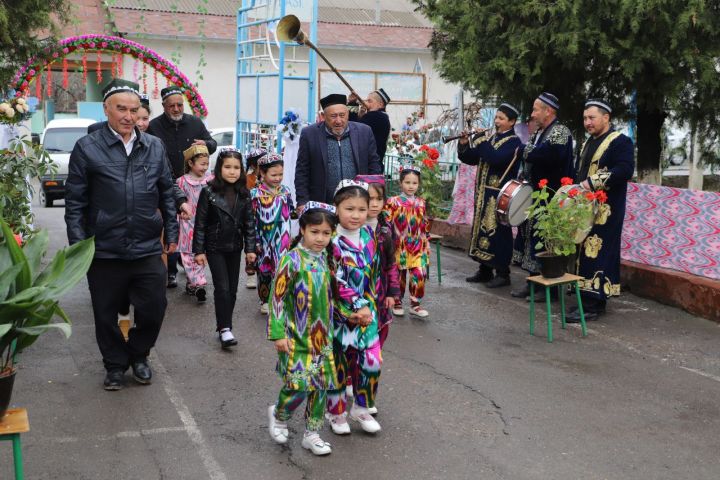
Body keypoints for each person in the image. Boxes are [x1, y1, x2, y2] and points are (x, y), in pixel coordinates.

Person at [65, 79, 178, 390]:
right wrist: (79, 247)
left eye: (134, 110)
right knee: (104, 315)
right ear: (106, 110)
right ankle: (115, 365)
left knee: (154, 308)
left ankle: (139, 355)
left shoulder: (154, 146)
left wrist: (172, 232)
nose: (129, 117)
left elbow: (167, 192)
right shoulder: (87, 147)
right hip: (104, 249)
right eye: (121, 109)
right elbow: (75, 202)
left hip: (146, 247)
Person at [266, 202, 339, 456]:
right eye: (314, 232)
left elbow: (334, 295)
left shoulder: (328, 259)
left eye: (326, 233)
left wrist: (352, 314)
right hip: (295, 335)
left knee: (320, 387)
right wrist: (278, 333)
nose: (320, 238)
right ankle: (279, 415)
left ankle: (312, 434)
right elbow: (277, 298)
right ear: (303, 230)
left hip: (323, 338)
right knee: (298, 385)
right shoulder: (291, 259)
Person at [567, 99, 635, 322]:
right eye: (585, 118)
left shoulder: (620, 141)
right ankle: (585, 298)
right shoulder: (589, 142)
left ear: (606, 118)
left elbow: (625, 169)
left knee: (597, 252)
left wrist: (592, 182)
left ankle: (593, 304)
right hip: (585, 207)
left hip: (607, 210)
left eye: (592, 118)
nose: (587, 122)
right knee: (583, 251)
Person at [326, 180, 383, 436]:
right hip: (338, 314)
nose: (356, 215)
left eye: (362, 209)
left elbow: (375, 272)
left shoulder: (369, 234)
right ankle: (336, 413)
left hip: (368, 313)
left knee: (372, 361)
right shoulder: (330, 239)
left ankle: (361, 407)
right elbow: (333, 280)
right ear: (336, 207)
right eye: (350, 209)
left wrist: (374, 304)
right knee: (337, 364)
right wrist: (356, 305)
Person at [146, 86, 218, 288]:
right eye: (172, 106)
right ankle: (170, 271)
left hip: (193, 186)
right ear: (164, 106)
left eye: (180, 105)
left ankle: (191, 270)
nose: (176, 109)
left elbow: (212, 144)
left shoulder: (195, 122)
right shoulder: (154, 126)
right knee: (170, 227)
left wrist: (206, 143)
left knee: (192, 228)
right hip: (165, 184)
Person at [512, 92, 574, 299]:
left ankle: (550, 289)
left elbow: (548, 155)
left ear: (548, 111)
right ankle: (533, 282)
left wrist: (523, 150)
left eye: (536, 109)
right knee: (531, 238)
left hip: (552, 196)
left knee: (546, 240)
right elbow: (531, 156)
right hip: (536, 195)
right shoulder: (539, 132)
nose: (532, 114)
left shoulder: (560, 131)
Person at [193, 149, 256, 349]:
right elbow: (200, 223)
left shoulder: (244, 193)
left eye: (236, 167)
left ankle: (225, 325)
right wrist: (199, 251)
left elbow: (249, 223)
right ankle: (225, 329)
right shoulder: (208, 192)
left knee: (233, 290)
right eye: (227, 167)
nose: (232, 171)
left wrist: (251, 249)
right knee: (222, 288)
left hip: (235, 246)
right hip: (215, 246)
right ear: (219, 168)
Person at [458, 103, 524, 287]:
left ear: (512, 122)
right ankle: (485, 270)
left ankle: (503, 273)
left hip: (500, 196)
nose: (497, 121)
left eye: (501, 118)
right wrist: (464, 144)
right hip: (484, 193)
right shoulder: (492, 139)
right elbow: (472, 158)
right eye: (496, 117)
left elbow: (495, 159)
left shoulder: (514, 142)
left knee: (499, 233)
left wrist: (480, 140)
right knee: (482, 230)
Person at [352, 174, 399, 414]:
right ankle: (350, 385)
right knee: (353, 345)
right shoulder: (349, 228)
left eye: (378, 199)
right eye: (368, 199)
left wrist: (393, 292)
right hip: (355, 296)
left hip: (379, 296)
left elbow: (391, 263)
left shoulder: (386, 229)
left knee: (375, 347)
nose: (374, 204)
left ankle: (365, 395)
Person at [295, 93, 383, 206]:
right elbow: (302, 171)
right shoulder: (310, 134)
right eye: (333, 116)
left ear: (348, 114)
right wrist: (302, 201)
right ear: (323, 116)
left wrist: (374, 196)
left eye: (342, 115)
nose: (338, 121)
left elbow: (374, 165)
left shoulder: (364, 132)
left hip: (358, 201)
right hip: (322, 203)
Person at [384, 163, 431, 318]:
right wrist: (387, 242)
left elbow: (424, 223)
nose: (411, 186)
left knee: (419, 274)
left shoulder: (421, 203)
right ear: (400, 183)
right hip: (399, 245)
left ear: (419, 184)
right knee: (399, 275)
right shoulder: (393, 202)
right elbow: (386, 222)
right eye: (407, 182)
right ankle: (397, 302)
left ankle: (415, 304)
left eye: (414, 183)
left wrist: (427, 242)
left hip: (418, 245)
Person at [250, 152, 294, 314]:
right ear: (262, 173)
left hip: (283, 237)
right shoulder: (255, 194)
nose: (278, 178)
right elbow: (252, 219)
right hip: (263, 238)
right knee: (264, 269)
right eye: (274, 175)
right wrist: (255, 240)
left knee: (282, 267)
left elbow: (291, 211)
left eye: (280, 174)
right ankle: (265, 300)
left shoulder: (286, 191)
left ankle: (280, 298)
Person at [176, 144, 212, 303]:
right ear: (190, 163)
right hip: (187, 223)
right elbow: (176, 201)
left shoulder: (211, 180)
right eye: (202, 164)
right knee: (189, 254)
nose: (205, 167)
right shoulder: (181, 181)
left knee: (201, 252)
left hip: (205, 222)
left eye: (207, 163)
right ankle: (199, 283)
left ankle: (193, 283)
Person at [243, 147, 267, 289]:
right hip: (252, 219)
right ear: (252, 165)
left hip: (266, 218)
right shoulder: (248, 179)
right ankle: (251, 273)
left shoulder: (269, 178)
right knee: (251, 246)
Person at [349, 89, 392, 164]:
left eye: (369, 101)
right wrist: (361, 115)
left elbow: (352, 128)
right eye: (366, 100)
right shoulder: (382, 116)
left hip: (368, 165)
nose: (365, 103)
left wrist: (352, 103)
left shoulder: (375, 116)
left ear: (380, 104)